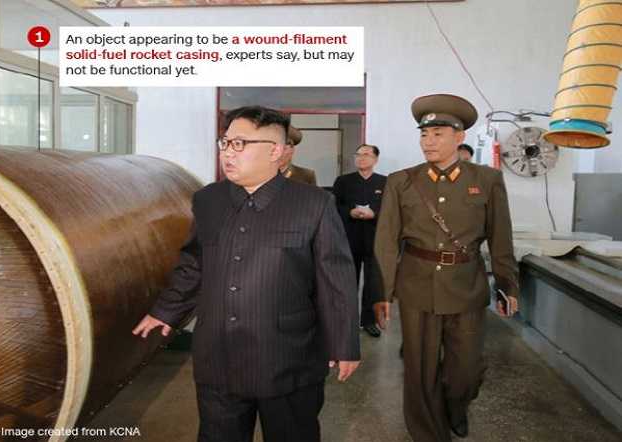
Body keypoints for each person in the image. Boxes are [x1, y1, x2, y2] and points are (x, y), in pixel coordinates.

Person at [133, 105, 360, 442]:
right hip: (218, 356)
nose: (228, 152)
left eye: (240, 144)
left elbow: (336, 280)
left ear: (275, 151)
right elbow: (194, 263)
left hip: (287, 357)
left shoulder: (314, 204)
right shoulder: (208, 200)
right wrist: (166, 310)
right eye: (225, 142)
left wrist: (343, 343)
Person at [374, 94, 519, 441]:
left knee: (465, 372)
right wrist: (383, 293)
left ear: (459, 137)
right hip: (416, 286)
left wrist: (507, 285)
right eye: (424, 134)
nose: (428, 141)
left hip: (466, 286)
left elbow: (500, 238)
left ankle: (456, 406)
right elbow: (386, 241)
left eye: (438, 134)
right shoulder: (401, 181)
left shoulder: (487, 180)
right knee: (419, 371)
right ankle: (429, 433)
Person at [332, 144, 387, 338]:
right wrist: (350, 212)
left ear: (375, 159)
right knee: (347, 281)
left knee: (373, 284)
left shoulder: (384, 182)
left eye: (366, 155)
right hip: (348, 237)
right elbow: (334, 206)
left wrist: (374, 213)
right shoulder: (343, 181)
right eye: (358, 154)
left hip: (374, 239)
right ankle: (346, 320)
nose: (361, 158)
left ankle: (369, 321)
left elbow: (389, 208)